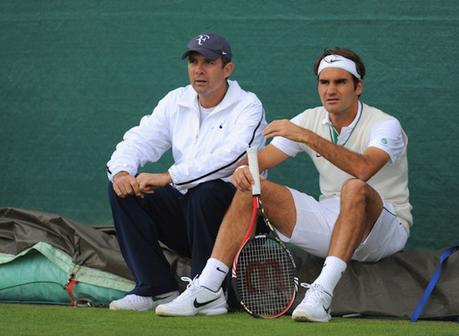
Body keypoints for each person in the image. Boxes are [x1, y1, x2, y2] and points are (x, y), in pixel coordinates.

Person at [155, 47, 412, 322]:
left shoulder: (385, 124)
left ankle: (322, 295)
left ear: (358, 87)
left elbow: (363, 169)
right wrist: (244, 171)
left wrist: (307, 136)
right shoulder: (310, 119)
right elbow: (259, 161)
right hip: (332, 220)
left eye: (340, 82)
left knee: (354, 187)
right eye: (324, 82)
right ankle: (208, 287)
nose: (331, 90)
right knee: (252, 189)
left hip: (384, 227)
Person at [106, 32, 266, 312]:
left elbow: (231, 159)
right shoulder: (175, 100)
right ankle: (157, 288)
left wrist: (169, 177)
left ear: (227, 68)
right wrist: (122, 172)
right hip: (187, 217)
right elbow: (140, 138)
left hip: (234, 222)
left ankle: (208, 290)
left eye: (208, 62)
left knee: (206, 190)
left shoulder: (249, 106)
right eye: (193, 61)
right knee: (124, 191)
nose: (198, 69)